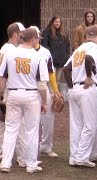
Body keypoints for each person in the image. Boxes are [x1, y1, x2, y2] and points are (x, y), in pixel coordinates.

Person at [0, 28, 49, 173]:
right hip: (31, 94)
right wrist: (45, 102)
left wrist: (2, 95)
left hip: (13, 93)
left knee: (10, 130)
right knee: (31, 130)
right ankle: (31, 164)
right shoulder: (38, 56)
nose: (38, 40)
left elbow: (2, 77)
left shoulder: (10, 53)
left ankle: (5, 163)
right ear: (33, 39)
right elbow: (41, 84)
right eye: (37, 38)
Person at [63, 25, 97, 168]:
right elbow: (89, 58)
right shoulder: (96, 48)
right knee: (90, 124)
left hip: (75, 89)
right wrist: (88, 76)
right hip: (87, 89)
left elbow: (66, 69)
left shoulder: (78, 49)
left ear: (85, 36)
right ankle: (82, 157)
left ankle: (74, 157)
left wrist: (71, 86)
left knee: (76, 125)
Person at [31, 26, 61, 158]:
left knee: (48, 118)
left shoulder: (45, 52)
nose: (37, 39)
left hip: (44, 89)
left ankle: (46, 146)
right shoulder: (21, 51)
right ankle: (30, 147)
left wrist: (56, 90)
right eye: (35, 36)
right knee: (30, 120)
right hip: (30, 90)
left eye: (38, 37)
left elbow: (51, 73)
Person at [0, 22, 25, 164]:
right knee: (13, 124)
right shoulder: (9, 49)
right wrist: (2, 95)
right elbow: (3, 72)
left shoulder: (7, 48)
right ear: (16, 34)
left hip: (8, 89)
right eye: (21, 33)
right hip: (9, 89)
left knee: (7, 123)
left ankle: (8, 154)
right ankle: (16, 156)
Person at [41, 15, 70, 84]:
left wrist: (66, 56)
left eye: (59, 22)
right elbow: (44, 46)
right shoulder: (47, 32)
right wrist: (51, 56)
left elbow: (67, 46)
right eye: (56, 21)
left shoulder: (63, 33)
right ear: (52, 22)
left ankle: (55, 94)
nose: (57, 23)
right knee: (51, 81)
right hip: (51, 61)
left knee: (57, 81)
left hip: (61, 61)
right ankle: (51, 94)